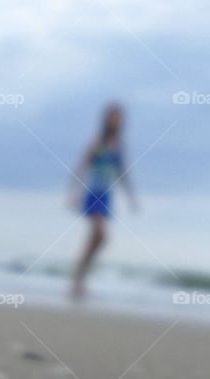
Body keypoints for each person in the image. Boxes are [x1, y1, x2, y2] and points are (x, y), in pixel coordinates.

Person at [70, 102, 138, 300]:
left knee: (98, 239)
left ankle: (80, 276)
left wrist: (131, 197)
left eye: (119, 117)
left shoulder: (119, 146)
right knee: (100, 235)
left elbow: (123, 173)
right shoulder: (98, 143)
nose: (115, 120)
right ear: (106, 119)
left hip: (107, 195)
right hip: (93, 192)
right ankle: (78, 277)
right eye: (112, 116)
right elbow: (82, 167)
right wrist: (75, 193)